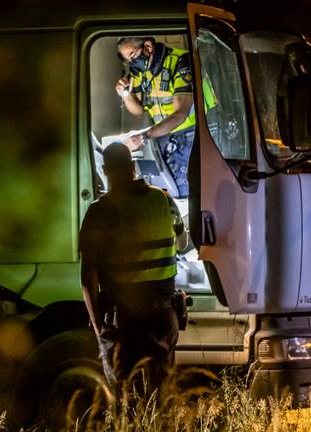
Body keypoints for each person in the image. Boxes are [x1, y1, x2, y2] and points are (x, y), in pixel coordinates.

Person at [79, 143, 188, 390]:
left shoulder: (100, 211)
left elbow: (88, 277)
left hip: (125, 320)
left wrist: (98, 328)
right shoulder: (164, 199)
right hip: (164, 317)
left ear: (105, 170)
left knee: (127, 396)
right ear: (132, 166)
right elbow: (182, 244)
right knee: (161, 395)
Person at [115, 36, 195, 198]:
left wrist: (144, 136)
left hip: (192, 135)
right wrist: (124, 94)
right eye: (127, 59)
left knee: (183, 191)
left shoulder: (181, 61)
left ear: (148, 47)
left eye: (132, 55)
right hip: (166, 135)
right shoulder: (140, 73)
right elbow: (138, 111)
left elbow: (181, 114)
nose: (131, 62)